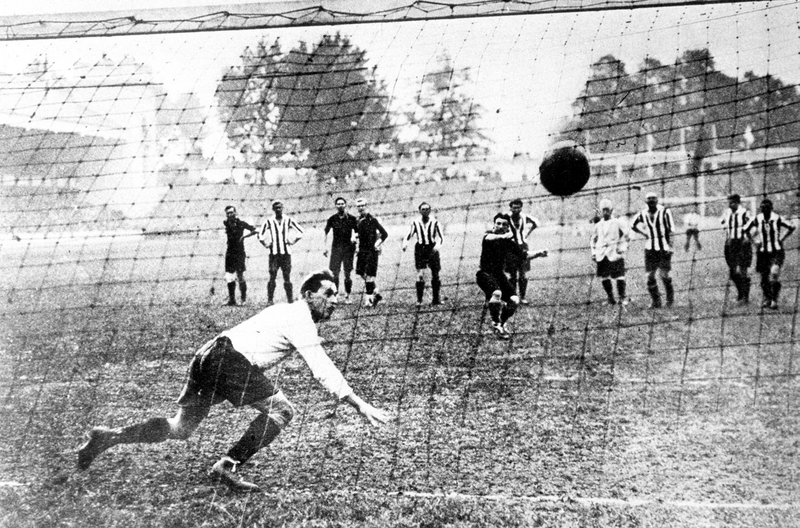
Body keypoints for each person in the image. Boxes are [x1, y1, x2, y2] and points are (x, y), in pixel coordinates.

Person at [77, 269, 391, 492]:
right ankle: (228, 465)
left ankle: (107, 437)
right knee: (282, 411)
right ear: (309, 295)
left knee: (180, 428)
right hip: (228, 361)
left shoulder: (287, 311)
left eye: (336, 294)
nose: (335, 300)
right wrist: (359, 403)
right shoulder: (300, 317)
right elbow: (321, 368)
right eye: (328, 294)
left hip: (208, 354)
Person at [477, 213, 548, 340]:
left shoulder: (509, 242)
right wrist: (509, 236)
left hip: (499, 275)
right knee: (496, 293)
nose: (500, 226)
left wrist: (538, 253)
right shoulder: (488, 236)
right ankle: (496, 323)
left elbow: (523, 255)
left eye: (504, 224)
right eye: (498, 223)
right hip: (484, 274)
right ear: (494, 224)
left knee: (515, 300)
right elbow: (491, 238)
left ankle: (502, 324)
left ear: (508, 227)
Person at [743, 198, 795, 309]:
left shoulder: (777, 218)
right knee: (764, 277)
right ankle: (767, 298)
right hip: (763, 252)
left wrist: (782, 238)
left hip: (776, 251)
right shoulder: (757, 218)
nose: (764, 210)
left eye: (766, 208)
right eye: (762, 208)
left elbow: (791, 227)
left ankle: (774, 300)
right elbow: (745, 229)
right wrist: (754, 242)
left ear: (771, 208)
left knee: (774, 272)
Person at [631, 192, 676, 308]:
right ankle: (656, 301)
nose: (651, 201)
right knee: (649, 276)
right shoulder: (643, 213)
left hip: (663, 248)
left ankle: (669, 300)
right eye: (649, 199)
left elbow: (671, 230)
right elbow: (632, 225)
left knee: (664, 275)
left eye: (653, 199)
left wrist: (671, 246)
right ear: (646, 201)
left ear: (657, 200)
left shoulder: (665, 211)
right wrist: (644, 233)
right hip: (650, 249)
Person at [258, 200, 304, 305]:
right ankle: (270, 300)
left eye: (280, 207)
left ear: (282, 208)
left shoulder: (288, 220)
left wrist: (293, 240)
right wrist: (265, 243)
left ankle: (290, 299)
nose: (278, 209)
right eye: (276, 208)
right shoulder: (269, 221)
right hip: (274, 254)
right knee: (272, 275)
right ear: (273, 209)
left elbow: (300, 231)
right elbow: (260, 234)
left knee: (287, 276)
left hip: (286, 253)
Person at [402, 202, 444, 306]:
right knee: (420, 274)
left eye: (427, 209)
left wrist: (438, 245)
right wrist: (405, 244)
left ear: (430, 210)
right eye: (423, 209)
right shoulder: (415, 222)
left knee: (435, 274)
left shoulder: (435, 222)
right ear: (419, 211)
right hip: (420, 249)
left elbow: (442, 237)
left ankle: (436, 299)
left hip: (432, 248)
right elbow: (409, 234)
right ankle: (419, 300)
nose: (425, 211)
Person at [590, 199, 630, 306]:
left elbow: (627, 236)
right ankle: (610, 298)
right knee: (604, 276)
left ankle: (622, 298)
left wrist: (622, 247)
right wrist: (594, 252)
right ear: (601, 211)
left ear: (611, 210)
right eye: (603, 210)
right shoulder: (598, 225)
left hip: (615, 253)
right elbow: (593, 240)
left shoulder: (618, 222)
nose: (605, 212)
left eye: (607, 210)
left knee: (619, 276)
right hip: (602, 254)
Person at [354, 198, 389, 307]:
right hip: (361, 250)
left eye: (362, 205)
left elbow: (384, 234)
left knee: (369, 275)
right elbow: (358, 234)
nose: (361, 208)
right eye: (359, 206)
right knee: (360, 272)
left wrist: (377, 244)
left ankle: (368, 301)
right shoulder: (357, 220)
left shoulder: (372, 220)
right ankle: (376, 292)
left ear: (366, 206)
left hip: (371, 251)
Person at [323, 197, 358, 304]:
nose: (340, 205)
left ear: (345, 205)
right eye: (338, 204)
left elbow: (358, 232)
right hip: (336, 249)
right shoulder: (332, 219)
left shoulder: (352, 218)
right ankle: (336, 295)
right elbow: (325, 232)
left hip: (348, 249)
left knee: (347, 274)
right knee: (335, 274)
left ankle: (347, 296)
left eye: (342, 203)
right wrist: (325, 247)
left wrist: (355, 239)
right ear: (336, 206)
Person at [506, 198, 540, 305]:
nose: (516, 209)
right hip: (510, 248)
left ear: (521, 208)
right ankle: (512, 297)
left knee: (522, 274)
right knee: (512, 274)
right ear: (510, 208)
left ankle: (523, 297)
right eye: (514, 207)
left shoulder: (525, 217)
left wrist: (527, 234)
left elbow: (536, 223)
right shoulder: (505, 217)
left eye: (518, 207)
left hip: (522, 247)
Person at [721, 194, 753, 305]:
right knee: (733, 272)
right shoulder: (727, 213)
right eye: (729, 202)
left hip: (743, 243)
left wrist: (747, 237)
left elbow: (752, 226)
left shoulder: (744, 212)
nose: (730, 204)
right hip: (731, 243)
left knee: (743, 271)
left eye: (732, 202)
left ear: (737, 202)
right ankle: (741, 294)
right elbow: (723, 224)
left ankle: (745, 297)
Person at [222, 205, 257, 306]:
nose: (230, 214)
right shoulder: (226, 223)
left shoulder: (241, 224)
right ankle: (232, 300)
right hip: (229, 252)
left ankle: (243, 299)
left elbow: (254, 230)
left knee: (240, 275)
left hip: (239, 252)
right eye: (228, 213)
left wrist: (243, 237)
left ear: (235, 213)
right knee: (229, 276)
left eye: (231, 212)